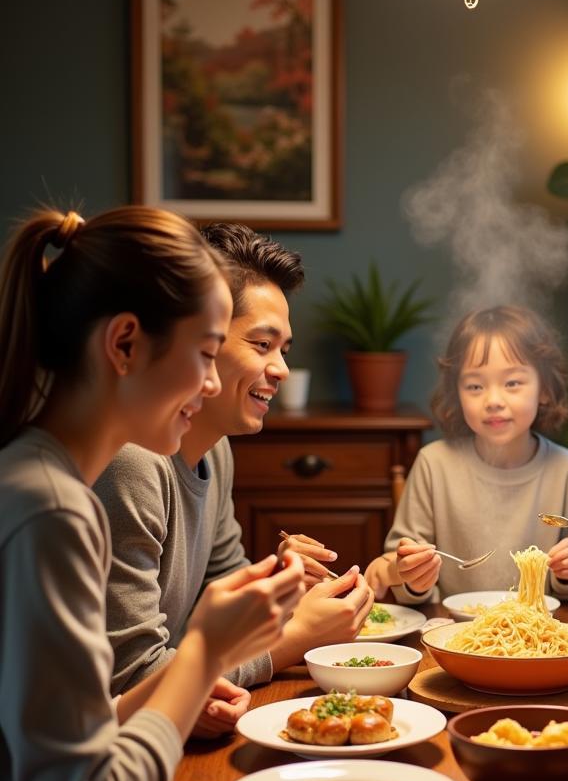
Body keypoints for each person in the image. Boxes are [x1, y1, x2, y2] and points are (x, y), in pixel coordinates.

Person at [0, 207, 305, 781]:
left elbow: (87, 723)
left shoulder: (46, 479)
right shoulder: (52, 511)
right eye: (208, 354)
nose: (209, 386)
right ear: (127, 344)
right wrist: (202, 655)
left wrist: (219, 643)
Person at [93, 223, 373, 736]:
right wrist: (293, 639)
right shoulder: (131, 463)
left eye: (284, 348)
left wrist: (280, 581)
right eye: (262, 344)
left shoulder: (215, 451)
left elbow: (216, 599)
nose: (282, 368)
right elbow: (134, 679)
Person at [366, 305, 568, 602]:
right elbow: (396, 567)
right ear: (456, 392)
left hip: (539, 638)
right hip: (452, 632)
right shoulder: (434, 463)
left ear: (545, 388)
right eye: (475, 386)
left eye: (512, 383)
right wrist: (414, 578)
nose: (493, 400)